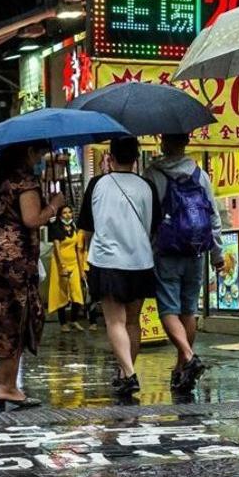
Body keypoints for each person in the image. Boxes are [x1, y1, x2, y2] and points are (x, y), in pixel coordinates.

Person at [0, 143, 63, 411]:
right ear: (28, 152)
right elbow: (31, 219)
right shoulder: (24, 182)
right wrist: (53, 206)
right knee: (18, 317)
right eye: (38, 153)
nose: (40, 158)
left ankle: (1, 375)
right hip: (16, 258)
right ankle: (8, 386)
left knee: (3, 314)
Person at [78, 137, 160, 397]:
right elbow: (155, 226)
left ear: (109, 158)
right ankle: (126, 372)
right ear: (136, 158)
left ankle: (128, 373)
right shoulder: (147, 186)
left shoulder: (97, 184)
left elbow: (87, 228)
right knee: (133, 322)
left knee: (115, 322)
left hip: (107, 261)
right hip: (140, 261)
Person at [144, 133, 224, 390]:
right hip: (196, 251)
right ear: (186, 142)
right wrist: (217, 254)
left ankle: (187, 358)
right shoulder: (201, 175)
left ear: (164, 143)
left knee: (168, 309)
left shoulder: (153, 174)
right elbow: (213, 217)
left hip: (166, 251)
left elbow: (148, 216)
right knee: (189, 309)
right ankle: (181, 370)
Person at [48, 205, 90, 333]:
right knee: (61, 293)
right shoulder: (56, 228)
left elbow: (78, 249)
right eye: (64, 213)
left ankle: (74, 320)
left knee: (77, 292)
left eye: (69, 212)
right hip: (60, 264)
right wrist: (62, 266)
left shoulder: (75, 228)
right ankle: (63, 323)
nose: (67, 215)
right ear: (60, 215)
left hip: (74, 263)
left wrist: (82, 268)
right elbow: (57, 248)